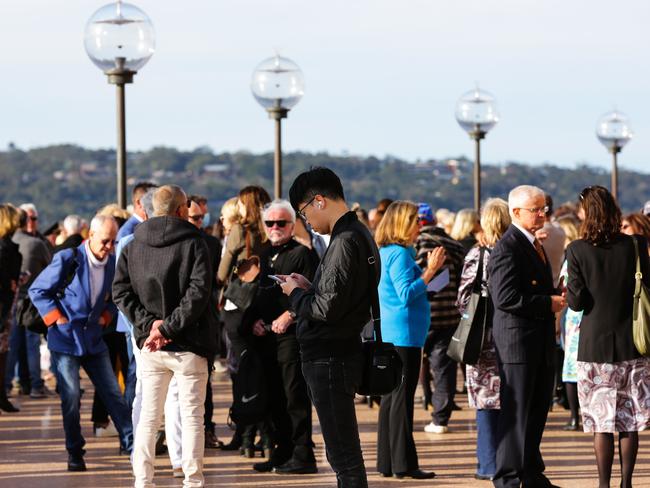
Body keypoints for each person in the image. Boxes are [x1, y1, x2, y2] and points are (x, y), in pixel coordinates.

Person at [280, 167, 379, 488]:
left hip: (330, 356)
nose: (304, 221)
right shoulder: (359, 233)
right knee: (343, 451)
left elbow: (324, 309)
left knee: (343, 455)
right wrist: (310, 287)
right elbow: (338, 296)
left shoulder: (344, 240)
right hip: (341, 349)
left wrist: (295, 293)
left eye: (303, 212)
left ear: (318, 201)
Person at [113, 185, 218, 488]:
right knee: (191, 417)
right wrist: (166, 327)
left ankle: (143, 481)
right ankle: (192, 481)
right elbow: (198, 294)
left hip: (151, 344)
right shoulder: (195, 243)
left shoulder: (133, 244)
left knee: (148, 416)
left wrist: (151, 326)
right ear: (181, 210)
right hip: (188, 343)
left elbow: (121, 292)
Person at [29, 214, 133, 472]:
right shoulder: (68, 258)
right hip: (65, 340)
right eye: (105, 241)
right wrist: (57, 318)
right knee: (71, 397)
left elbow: (115, 297)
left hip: (94, 341)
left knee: (113, 395)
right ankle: (75, 452)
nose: (110, 247)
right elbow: (37, 290)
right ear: (91, 236)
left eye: (114, 242)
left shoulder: (112, 263)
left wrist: (106, 316)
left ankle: (133, 447)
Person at [566, 185, 650, 488]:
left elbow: (576, 303)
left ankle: (603, 484)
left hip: (595, 346)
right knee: (630, 422)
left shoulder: (576, 250)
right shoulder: (637, 245)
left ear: (587, 213)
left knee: (602, 424)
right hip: (634, 343)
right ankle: (626, 483)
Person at [488, 185, 565, 488]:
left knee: (536, 412)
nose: (542, 214)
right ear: (516, 212)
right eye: (536, 209)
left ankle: (531, 474)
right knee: (516, 415)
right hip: (518, 344)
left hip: (539, 340)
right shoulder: (507, 247)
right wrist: (548, 303)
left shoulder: (535, 243)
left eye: (544, 208)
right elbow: (505, 297)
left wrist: (554, 294)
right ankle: (507, 478)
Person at [247, 199, 320, 474]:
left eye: (281, 223)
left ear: (292, 225)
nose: (276, 227)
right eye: (270, 223)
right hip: (265, 336)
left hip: (291, 336)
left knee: (294, 396)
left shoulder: (303, 254)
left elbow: (311, 290)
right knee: (274, 396)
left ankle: (303, 454)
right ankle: (282, 450)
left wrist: (289, 315)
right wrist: (253, 320)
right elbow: (255, 292)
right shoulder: (263, 254)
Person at [375, 200, 445, 480]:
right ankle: (404, 463)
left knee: (391, 399)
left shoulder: (386, 252)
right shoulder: (400, 254)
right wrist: (429, 271)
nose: (420, 226)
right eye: (415, 221)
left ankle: (389, 462)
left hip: (395, 332)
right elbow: (405, 293)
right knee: (401, 399)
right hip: (404, 335)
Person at [457, 198, 510, 481]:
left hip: (482, 337)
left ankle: (488, 463)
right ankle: (499, 461)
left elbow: (463, 298)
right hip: (506, 335)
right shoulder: (514, 251)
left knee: (485, 402)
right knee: (501, 400)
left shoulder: (479, 253)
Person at [216, 186, 271, 453]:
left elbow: (222, 272)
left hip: (238, 309)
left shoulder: (240, 231)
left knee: (241, 372)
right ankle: (266, 434)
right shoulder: (271, 230)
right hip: (265, 307)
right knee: (262, 372)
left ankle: (244, 434)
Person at [415, 205, 466, 432]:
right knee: (444, 367)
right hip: (449, 315)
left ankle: (425, 399)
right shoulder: (455, 245)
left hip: (423, 313)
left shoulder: (417, 244)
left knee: (419, 362)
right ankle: (440, 418)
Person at [187, 198, 223, 450]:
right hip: (180, 323)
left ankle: (207, 429)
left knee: (204, 382)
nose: (200, 223)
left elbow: (216, 282)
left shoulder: (210, 243)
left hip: (204, 320)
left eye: (202, 218)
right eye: (195, 218)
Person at [6, 205, 52, 399]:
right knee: (32, 344)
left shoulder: (10, 243)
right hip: (33, 301)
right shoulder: (35, 244)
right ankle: (35, 386)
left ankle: (7, 385)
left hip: (13, 302)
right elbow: (50, 267)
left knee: (13, 345)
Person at [557, 217, 582, 431]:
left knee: (571, 368)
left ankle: (575, 417)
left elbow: (564, 288)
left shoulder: (572, 257)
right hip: (590, 316)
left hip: (575, 316)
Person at [0, 204, 23, 413]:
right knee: (3, 352)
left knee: (4, 352)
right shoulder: (5, 249)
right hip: (3, 307)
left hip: (6, 306)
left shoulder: (7, 248)